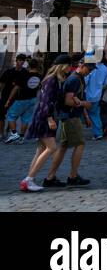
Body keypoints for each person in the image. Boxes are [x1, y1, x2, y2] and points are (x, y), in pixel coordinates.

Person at [18, 58, 70, 192]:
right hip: (44, 117)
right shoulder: (52, 80)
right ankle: (28, 180)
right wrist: (49, 118)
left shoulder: (53, 79)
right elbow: (45, 101)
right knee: (51, 147)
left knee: (40, 149)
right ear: (63, 66)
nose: (70, 68)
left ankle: (28, 180)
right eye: (69, 66)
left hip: (43, 116)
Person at [42, 55, 94, 188]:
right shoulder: (74, 80)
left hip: (71, 116)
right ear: (81, 66)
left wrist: (86, 116)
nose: (90, 71)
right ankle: (72, 176)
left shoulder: (79, 78)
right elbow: (68, 100)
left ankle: (50, 177)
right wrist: (84, 104)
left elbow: (76, 97)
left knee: (64, 147)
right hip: (69, 116)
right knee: (80, 144)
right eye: (89, 69)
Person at [3, 55, 39, 142]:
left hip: (21, 99)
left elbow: (16, 88)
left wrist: (8, 100)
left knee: (11, 116)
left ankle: (14, 134)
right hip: (32, 99)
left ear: (28, 65)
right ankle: (21, 138)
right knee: (26, 119)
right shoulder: (40, 76)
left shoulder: (23, 75)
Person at [82, 51, 107, 140]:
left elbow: (85, 81)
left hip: (87, 93)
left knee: (81, 113)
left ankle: (77, 131)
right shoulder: (106, 69)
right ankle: (98, 133)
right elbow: (106, 84)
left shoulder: (91, 67)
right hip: (97, 95)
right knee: (95, 114)